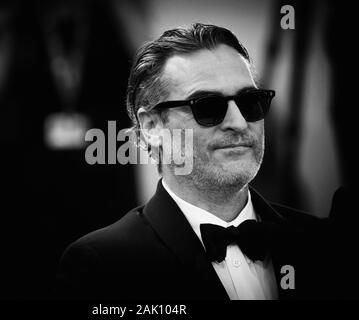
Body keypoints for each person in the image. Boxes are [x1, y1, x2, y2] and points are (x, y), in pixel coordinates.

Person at [56, 23, 332, 300]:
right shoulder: (103, 266)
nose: (238, 123)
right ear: (152, 126)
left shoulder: (324, 242)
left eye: (250, 102)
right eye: (207, 107)